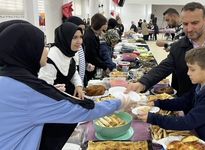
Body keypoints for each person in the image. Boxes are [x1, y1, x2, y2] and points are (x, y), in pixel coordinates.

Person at [126, 2, 205, 150]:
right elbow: (164, 67)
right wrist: (142, 83)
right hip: (192, 117)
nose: (189, 28)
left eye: (195, 23)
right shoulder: (179, 47)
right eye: (185, 24)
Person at [0, 21, 132, 150]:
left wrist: (51, 92)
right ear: (29, 50)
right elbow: (82, 110)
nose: (47, 49)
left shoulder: (8, 77)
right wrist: (120, 101)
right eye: (43, 45)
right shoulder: (30, 90)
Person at [137, 46, 205, 149]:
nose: (188, 73)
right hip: (202, 137)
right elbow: (182, 102)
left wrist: (152, 118)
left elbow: (188, 122)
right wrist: (157, 103)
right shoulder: (201, 85)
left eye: (192, 69)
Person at [38, 22, 86, 149]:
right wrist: (56, 90)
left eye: (80, 37)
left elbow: (73, 71)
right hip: (54, 111)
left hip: (67, 103)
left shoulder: (69, 52)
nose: (79, 41)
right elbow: (43, 87)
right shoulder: (52, 57)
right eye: (74, 37)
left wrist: (79, 85)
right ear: (65, 37)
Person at [66, 16, 95, 87]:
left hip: (81, 83)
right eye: (79, 29)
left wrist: (86, 65)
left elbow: (80, 61)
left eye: (83, 29)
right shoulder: (66, 48)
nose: (82, 32)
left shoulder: (81, 44)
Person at [84, 13, 108, 81]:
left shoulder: (92, 32)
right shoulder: (89, 37)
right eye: (104, 25)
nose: (104, 28)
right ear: (99, 25)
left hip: (92, 66)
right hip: (89, 67)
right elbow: (93, 56)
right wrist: (105, 67)